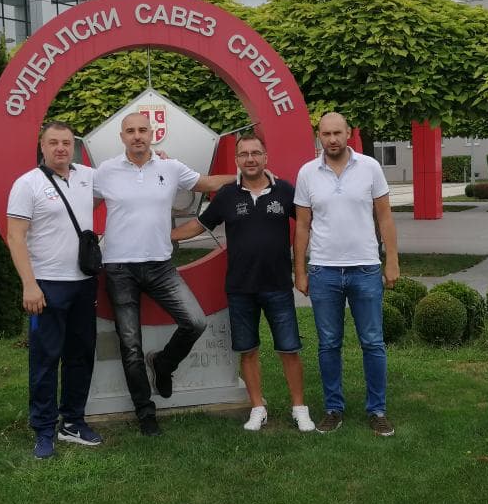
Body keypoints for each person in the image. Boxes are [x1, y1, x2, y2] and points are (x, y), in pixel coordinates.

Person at [93, 111, 235, 436]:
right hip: (119, 269)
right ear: (122, 136)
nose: (137, 135)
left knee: (195, 322)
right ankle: (145, 413)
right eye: (131, 131)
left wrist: (247, 175)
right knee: (130, 346)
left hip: (160, 266)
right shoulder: (106, 171)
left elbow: (208, 183)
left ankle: (163, 363)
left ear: (152, 133)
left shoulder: (170, 168)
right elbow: (79, 201)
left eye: (142, 130)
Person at [171, 133, 315, 433]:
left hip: (277, 286)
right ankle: (257, 408)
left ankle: (299, 408)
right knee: (247, 350)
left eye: (256, 153)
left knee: (289, 349)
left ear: (265, 157)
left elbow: (307, 223)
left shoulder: (285, 191)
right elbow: (199, 225)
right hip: (240, 289)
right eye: (244, 154)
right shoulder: (227, 195)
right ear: (237, 160)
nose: (250, 159)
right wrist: (164, 236)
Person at [293, 112, 400, 436]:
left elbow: (385, 217)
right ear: (319, 135)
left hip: (365, 268)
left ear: (349, 133)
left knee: (373, 342)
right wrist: (300, 270)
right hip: (323, 270)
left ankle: (377, 410)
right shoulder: (307, 173)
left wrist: (391, 260)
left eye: (337, 133)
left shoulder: (370, 167)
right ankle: (333, 409)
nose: (332, 139)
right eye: (326, 134)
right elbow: (302, 225)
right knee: (328, 344)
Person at [6, 121, 101, 459]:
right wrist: (29, 284)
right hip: (45, 285)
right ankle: (44, 429)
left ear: (74, 146)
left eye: (66, 142)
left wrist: (157, 159)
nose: (61, 148)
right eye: (53, 142)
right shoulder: (27, 184)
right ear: (42, 146)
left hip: (83, 283)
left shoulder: (88, 176)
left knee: (80, 356)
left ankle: (72, 422)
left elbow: (125, 179)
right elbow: (15, 236)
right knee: (45, 360)